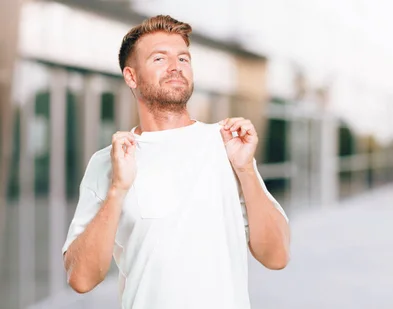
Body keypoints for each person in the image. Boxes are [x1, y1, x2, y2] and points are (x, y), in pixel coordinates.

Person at [62, 15, 290, 309]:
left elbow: (278, 256)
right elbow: (80, 279)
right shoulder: (108, 162)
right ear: (131, 76)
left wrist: (245, 169)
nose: (176, 67)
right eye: (159, 58)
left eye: (183, 58)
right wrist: (118, 189)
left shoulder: (227, 145)